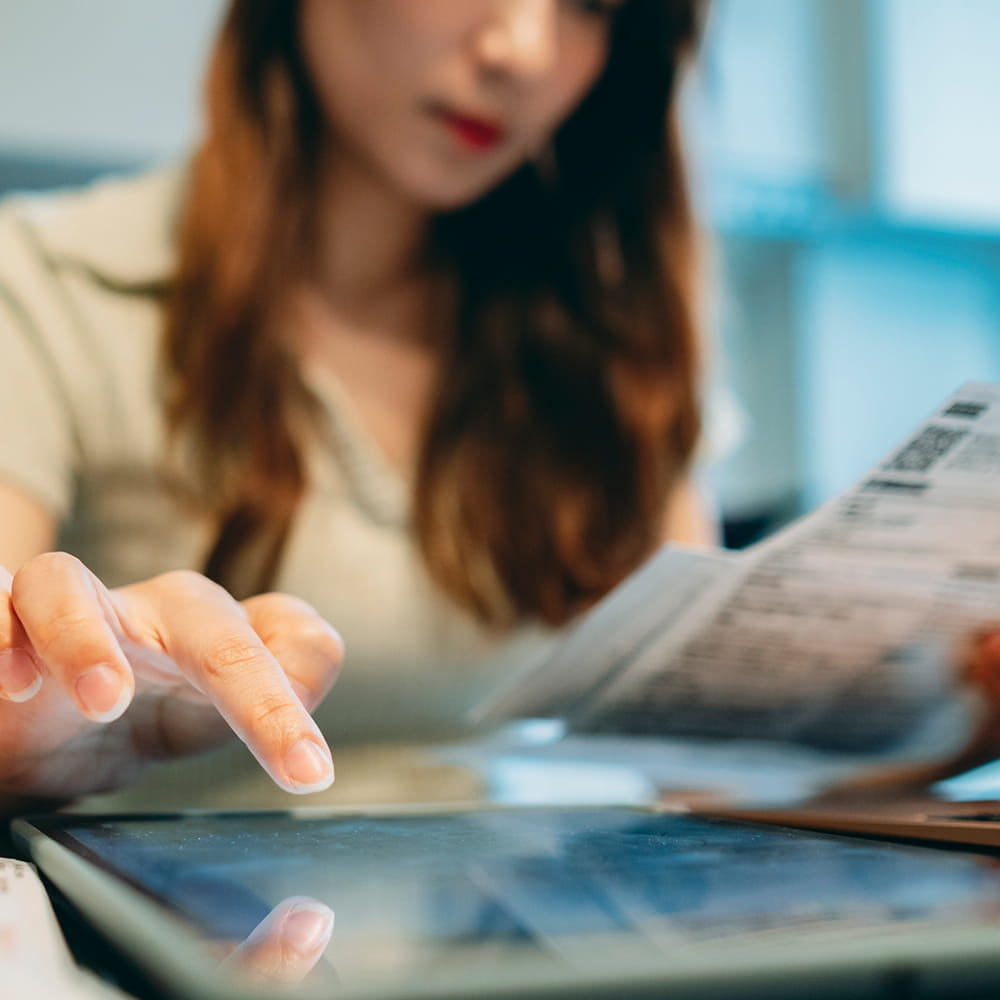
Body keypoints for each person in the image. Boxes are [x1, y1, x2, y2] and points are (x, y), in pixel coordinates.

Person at [0, 0, 995, 813]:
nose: (523, 48)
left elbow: (692, 770)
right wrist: (42, 719)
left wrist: (951, 727)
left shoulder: (615, 348)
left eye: (592, 7)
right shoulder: (41, 288)